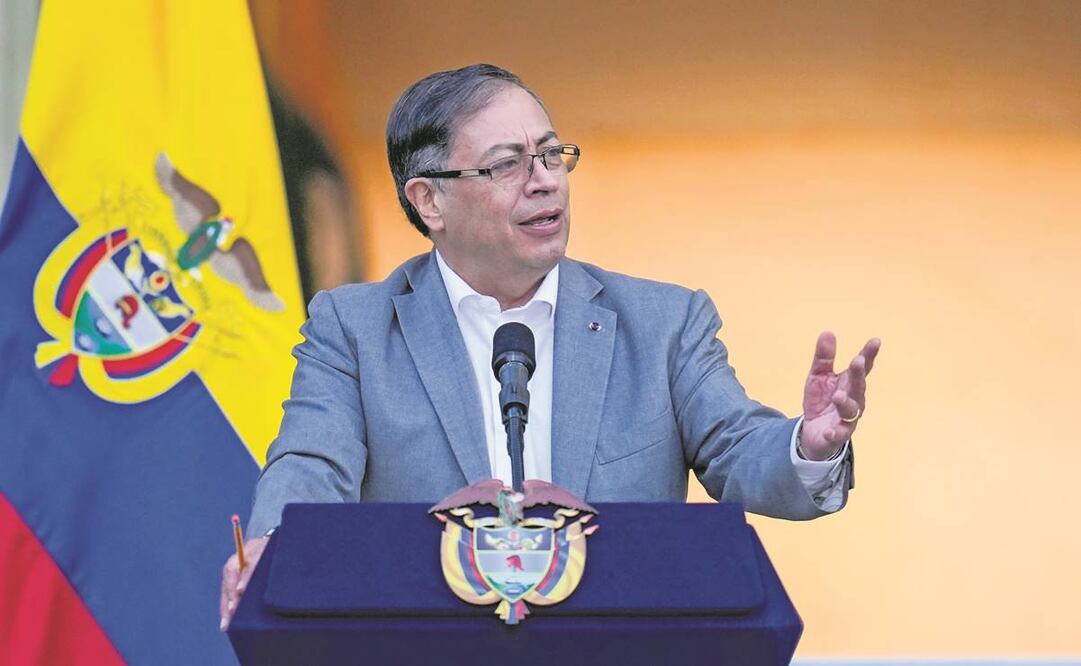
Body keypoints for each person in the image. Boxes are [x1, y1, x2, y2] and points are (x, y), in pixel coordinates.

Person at [219, 64, 880, 630]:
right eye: (508, 164)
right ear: (429, 202)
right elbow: (311, 463)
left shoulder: (663, 323)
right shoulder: (355, 328)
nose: (545, 181)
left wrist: (808, 446)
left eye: (551, 154)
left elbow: (739, 451)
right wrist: (274, 548)